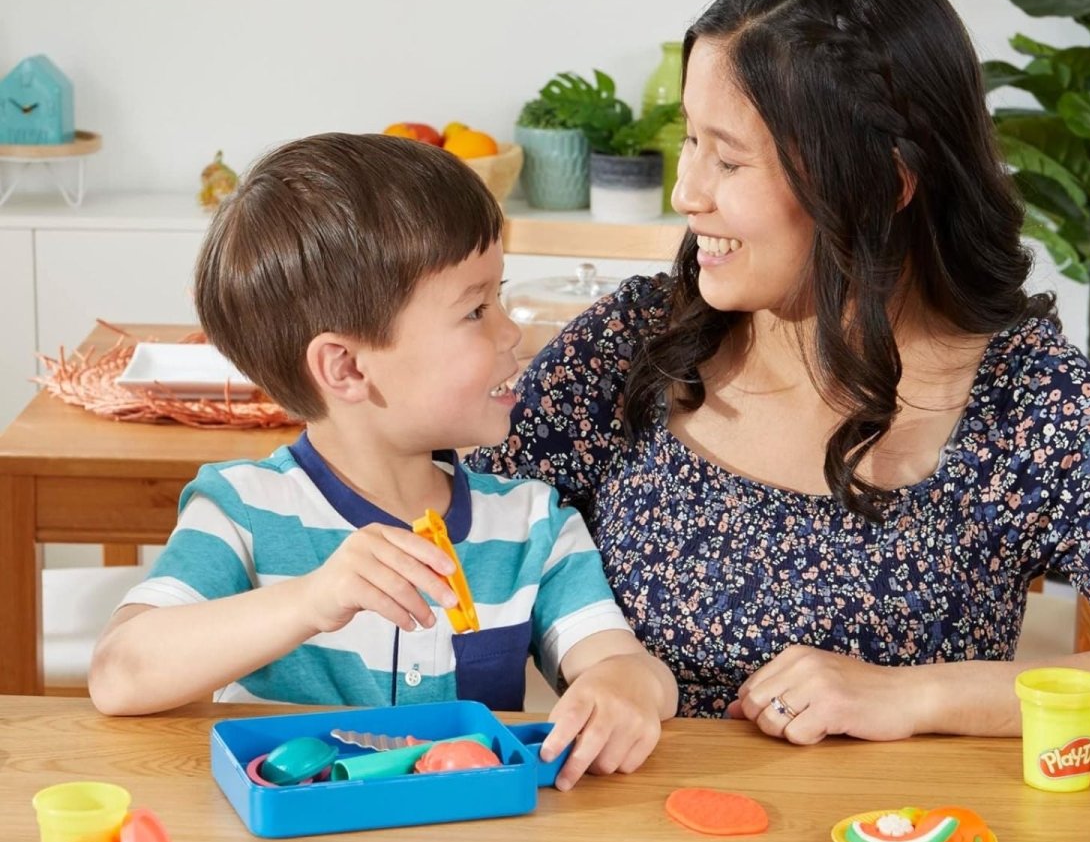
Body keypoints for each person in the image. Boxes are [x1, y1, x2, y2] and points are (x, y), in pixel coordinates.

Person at [471, 0, 1090, 743]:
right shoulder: (635, 340)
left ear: (884, 184)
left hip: (901, 822)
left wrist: (915, 697)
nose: (687, 192)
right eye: (690, 141)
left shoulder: (1023, 396)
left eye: (729, 160)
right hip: (633, 815)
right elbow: (453, 528)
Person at [88, 133, 677, 790]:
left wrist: (626, 685)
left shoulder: (532, 523)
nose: (511, 332)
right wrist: (311, 600)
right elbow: (119, 673)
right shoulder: (242, 509)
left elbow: (627, 666)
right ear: (345, 368)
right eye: (476, 310)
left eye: (500, 298)